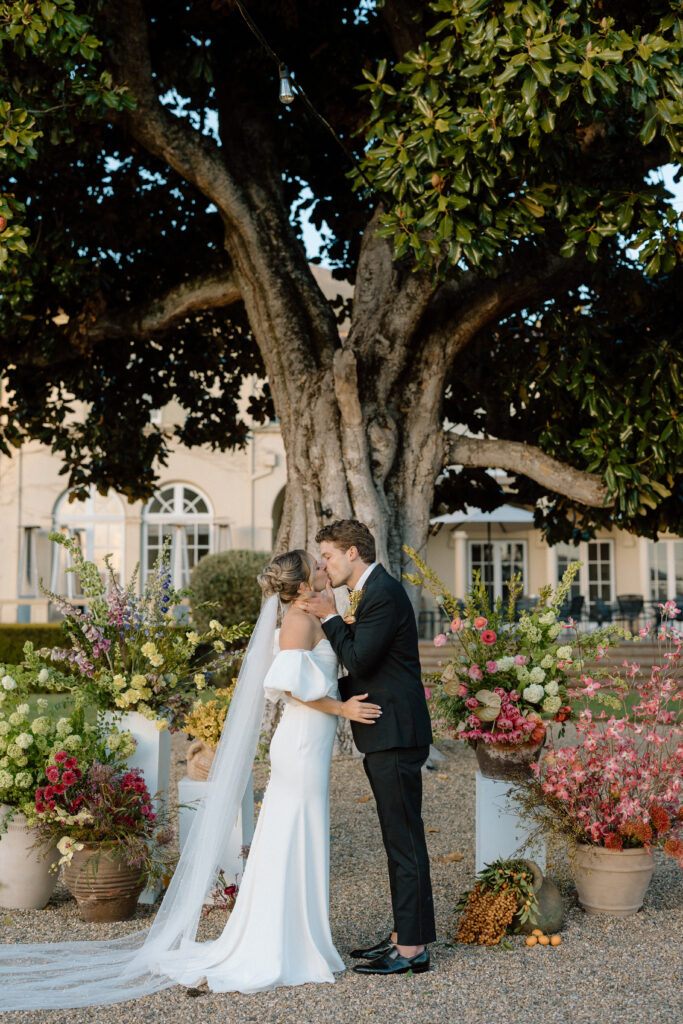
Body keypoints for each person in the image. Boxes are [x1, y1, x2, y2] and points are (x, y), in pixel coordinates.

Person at [0, 550, 380, 1009]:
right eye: (316, 566)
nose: (325, 568)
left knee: (297, 834)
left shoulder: (314, 612)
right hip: (301, 742)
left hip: (312, 743)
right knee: (290, 835)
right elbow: (294, 688)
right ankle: (281, 943)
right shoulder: (299, 622)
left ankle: (301, 937)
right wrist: (343, 709)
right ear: (301, 586)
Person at [302, 520, 436, 977]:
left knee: (404, 841)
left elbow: (359, 659)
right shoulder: (369, 591)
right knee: (396, 837)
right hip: (386, 729)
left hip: (395, 731)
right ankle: (403, 934)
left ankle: (413, 949)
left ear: (354, 553)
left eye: (329, 556)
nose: (324, 564)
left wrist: (328, 616)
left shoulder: (381, 592)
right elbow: (367, 660)